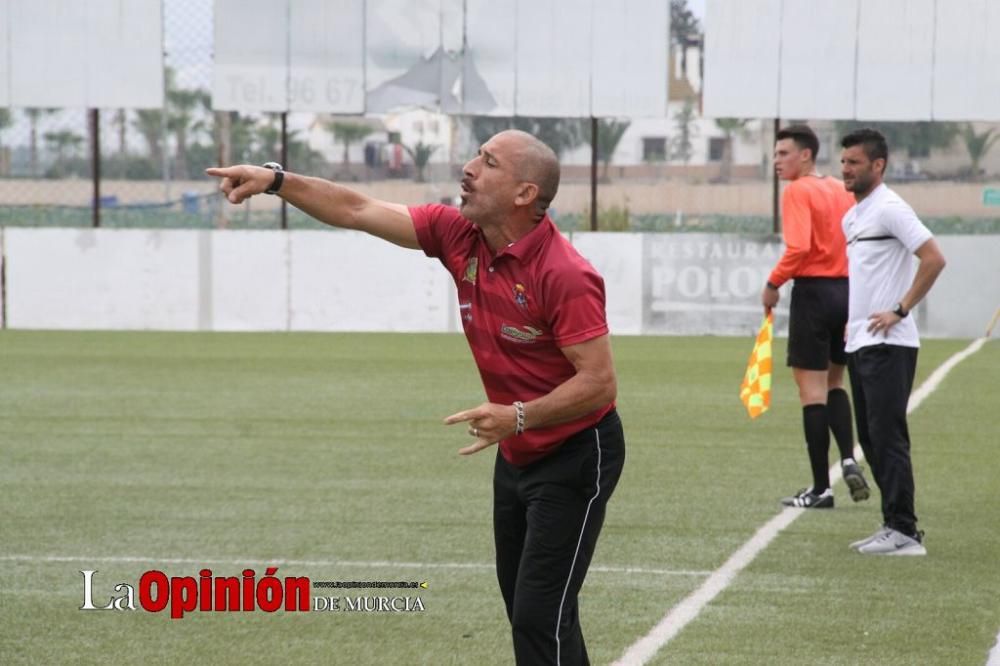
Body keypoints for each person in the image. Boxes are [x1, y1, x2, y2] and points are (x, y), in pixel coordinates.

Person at [206, 129, 626, 664]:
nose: (469, 167)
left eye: (488, 162)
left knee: (538, 614)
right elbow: (356, 207)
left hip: (576, 454)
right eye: (476, 154)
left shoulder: (564, 273)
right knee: (531, 610)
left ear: (524, 194)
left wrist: (518, 416)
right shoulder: (459, 235)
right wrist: (277, 181)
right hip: (517, 451)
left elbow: (599, 383)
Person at [838, 128, 946, 556]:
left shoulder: (890, 208)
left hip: (890, 342)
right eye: (843, 162)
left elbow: (934, 258)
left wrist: (900, 309)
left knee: (888, 435)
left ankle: (905, 530)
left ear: (878, 166)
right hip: (861, 341)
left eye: (854, 163)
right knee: (870, 436)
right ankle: (892, 524)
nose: (845, 169)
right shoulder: (855, 216)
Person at [763, 124, 870, 509]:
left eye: (784, 153)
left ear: (805, 155)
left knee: (811, 393)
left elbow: (799, 248)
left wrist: (773, 282)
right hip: (847, 292)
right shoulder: (838, 189)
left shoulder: (798, 190)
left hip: (813, 294)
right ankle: (847, 458)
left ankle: (821, 488)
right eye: (775, 154)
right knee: (835, 382)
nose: (776, 161)